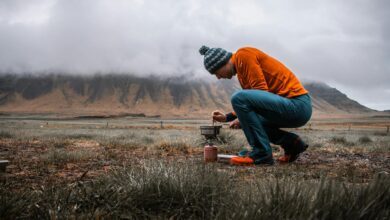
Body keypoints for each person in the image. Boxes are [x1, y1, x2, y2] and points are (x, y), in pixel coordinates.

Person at [199, 45, 312, 165]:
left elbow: (260, 94)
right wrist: (227, 117)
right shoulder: (241, 71)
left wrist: (239, 118)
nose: (218, 77)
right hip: (291, 108)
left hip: (297, 105)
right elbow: (254, 104)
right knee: (246, 116)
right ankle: (292, 144)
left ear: (222, 63)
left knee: (238, 97)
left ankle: (261, 154)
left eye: (216, 72)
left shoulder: (243, 55)